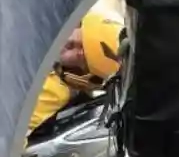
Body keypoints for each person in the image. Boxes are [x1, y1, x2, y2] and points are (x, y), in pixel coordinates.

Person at [28, 12, 123, 140]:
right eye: (77, 40)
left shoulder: (53, 92)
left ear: (79, 73)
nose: (69, 43)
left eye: (81, 56)